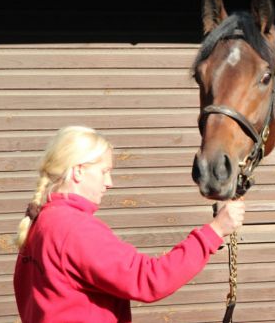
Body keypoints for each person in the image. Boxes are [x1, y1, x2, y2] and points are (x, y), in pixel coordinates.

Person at [14, 126, 245, 323]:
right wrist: (215, 231)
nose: (109, 183)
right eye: (104, 172)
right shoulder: (75, 230)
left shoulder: (43, 220)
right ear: (78, 171)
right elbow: (148, 279)